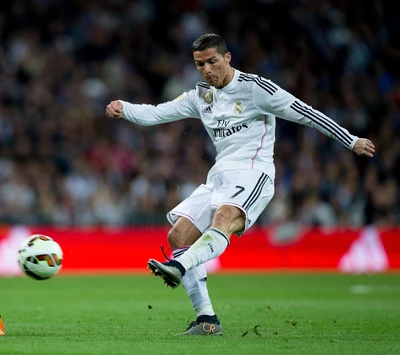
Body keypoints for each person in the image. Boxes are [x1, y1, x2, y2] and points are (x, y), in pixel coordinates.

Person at [105, 33, 375, 336]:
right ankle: (207, 320)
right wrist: (124, 107)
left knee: (222, 220)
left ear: (227, 58)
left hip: (253, 173)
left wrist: (350, 140)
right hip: (219, 176)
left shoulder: (256, 89)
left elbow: (304, 112)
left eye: (212, 61)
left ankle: (179, 268)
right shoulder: (201, 95)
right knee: (179, 235)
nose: (207, 69)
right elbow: (157, 112)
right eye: (199, 64)